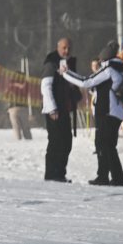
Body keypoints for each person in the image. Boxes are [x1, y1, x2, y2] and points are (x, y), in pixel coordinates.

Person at [60, 41, 123, 186]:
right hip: (117, 112)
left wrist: (66, 74)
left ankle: (114, 178)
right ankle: (105, 176)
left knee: (104, 145)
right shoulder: (122, 69)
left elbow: (86, 82)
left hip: (106, 112)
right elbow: (103, 88)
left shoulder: (109, 69)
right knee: (106, 145)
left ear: (105, 58)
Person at [40, 37, 82, 181]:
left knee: (66, 142)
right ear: (58, 48)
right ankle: (52, 174)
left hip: (65, 109)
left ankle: (60, 173)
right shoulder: (51, 63)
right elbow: (46, 87)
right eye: (64, 48)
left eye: (69, 48)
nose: (66, 51)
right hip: (54, 110)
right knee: (55, 142)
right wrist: (52, 108)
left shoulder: (70, 64)